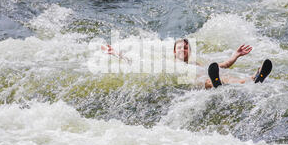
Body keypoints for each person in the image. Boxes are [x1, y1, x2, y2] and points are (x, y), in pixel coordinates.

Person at [102, 38, 271, 89]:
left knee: (223, 75)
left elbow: (223, 65)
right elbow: (138, 62)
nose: (184, 50)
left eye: (186, 48)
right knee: (206, 80)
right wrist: (116, 54)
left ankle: (255, 77)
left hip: (204, 76)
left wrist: (236, 55)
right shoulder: (169, 62)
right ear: (175, 51)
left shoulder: (195, 63)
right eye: (181, 48)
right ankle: (217, 83)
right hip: (189, 84)